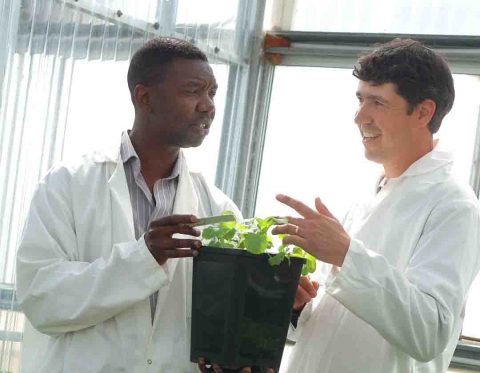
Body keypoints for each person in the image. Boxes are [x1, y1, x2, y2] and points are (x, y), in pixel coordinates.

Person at [16, 37, 244, 372]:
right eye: (194, 91)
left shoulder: (217, 207)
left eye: (212, 93)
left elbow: (227, 318)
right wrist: (143, 258)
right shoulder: (66, 185)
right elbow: (41, 299)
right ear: (145, 97)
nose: (208, 105)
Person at [272, 38, 480, 372]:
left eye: (377, 102)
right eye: (360, 99)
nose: (359, 116)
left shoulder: (454, 205)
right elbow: (357, 321)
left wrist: (345, 254)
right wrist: (304, 309)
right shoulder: (368, 194)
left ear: (423, 112)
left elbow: (429, 333)